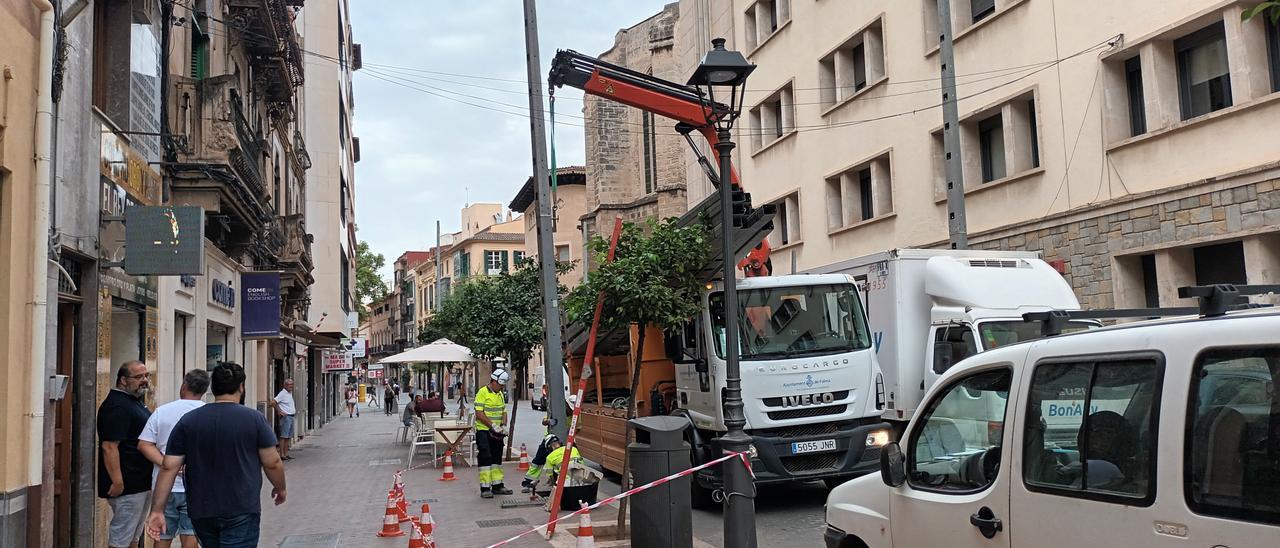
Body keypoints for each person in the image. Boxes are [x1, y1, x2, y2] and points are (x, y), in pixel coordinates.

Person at [145, 363, 286, 547]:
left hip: (202, 508)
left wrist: (157, 510)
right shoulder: (254, 419)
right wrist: (280, 487)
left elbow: (168, 466)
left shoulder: (189, 420)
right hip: (241, 507)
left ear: (212, 388)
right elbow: (272, 462)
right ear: (241, 387)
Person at [138, 369, 210, 548]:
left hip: (164, 486)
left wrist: (168, 465)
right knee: (191, 536)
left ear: (183, 386)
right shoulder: (208, 415)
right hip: (197, 486)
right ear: (204, 391)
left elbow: (144, 444)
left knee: (161, 534)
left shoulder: (162, 411)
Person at [98, 360, 154, 548]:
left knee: (133, 538)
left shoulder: (133, 402)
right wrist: (117, 480)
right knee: (121, 539)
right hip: (127, 483)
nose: (145, 380)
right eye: (139, 377)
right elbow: (109, 446)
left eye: (146, 376)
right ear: (123, 380)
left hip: (140, 482)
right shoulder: (117, 406)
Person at [475, 369, 512, 498]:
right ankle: (485, 487)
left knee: (496, 457)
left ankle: (497, 485)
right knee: (486, 456)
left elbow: (504, 412)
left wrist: (503, 425)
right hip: (484, 431)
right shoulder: (482, 392)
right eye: (500, 384)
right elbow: (479, 413)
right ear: (494, 381)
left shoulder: (500, 394)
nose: (501, 387)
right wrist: (492, 425)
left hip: (497, 432)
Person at [267, 379, 297, 460]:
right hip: (286, 417)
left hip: (291, 416)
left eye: (292, 385)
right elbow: (273, 402)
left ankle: (286, 453)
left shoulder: (289, 393)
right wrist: (279, 411)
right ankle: (282, 454)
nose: (290, 386)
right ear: (285, 385)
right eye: (289, 385)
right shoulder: (283, 393)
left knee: (288, 436)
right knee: (283, 436)